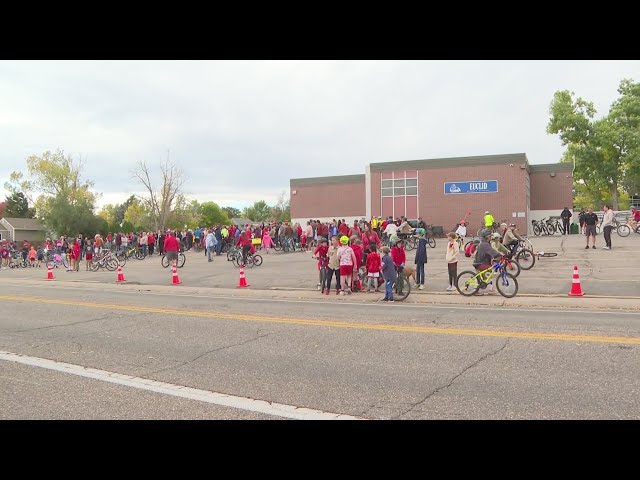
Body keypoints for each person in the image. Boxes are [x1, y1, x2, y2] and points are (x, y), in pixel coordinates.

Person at [473, 228, 502, 295]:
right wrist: (498, 255)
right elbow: (491, 251)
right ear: (487, 237)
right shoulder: (484, 244)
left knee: (484, 275)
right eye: (490, 236)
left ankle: (490, 289)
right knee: (490, 272)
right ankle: (478, 290)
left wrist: (499, 254)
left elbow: (491, 251)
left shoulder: (485, 243)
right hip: (480, 263)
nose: (491, 237)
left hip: (481, 262)